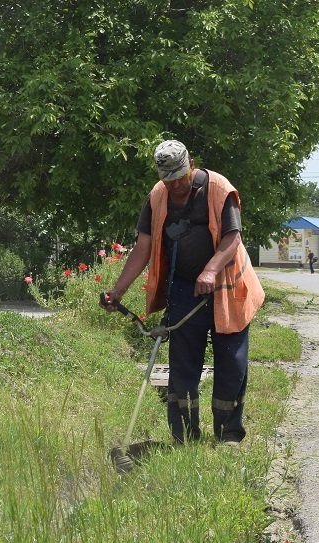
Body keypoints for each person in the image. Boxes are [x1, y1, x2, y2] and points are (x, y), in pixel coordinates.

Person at [102, 139, 264, 445]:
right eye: (169, 181)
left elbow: (232, 239)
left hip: (227, 285)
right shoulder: (157, 196)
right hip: (184, 289)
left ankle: (228, 435)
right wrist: (118, 291)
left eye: (180, 179)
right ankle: (185, 437)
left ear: (191, 165)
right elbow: (144, 248)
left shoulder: (218, 189)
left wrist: (211, 269)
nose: (175, 187)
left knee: (231, 362)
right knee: (182, 364)